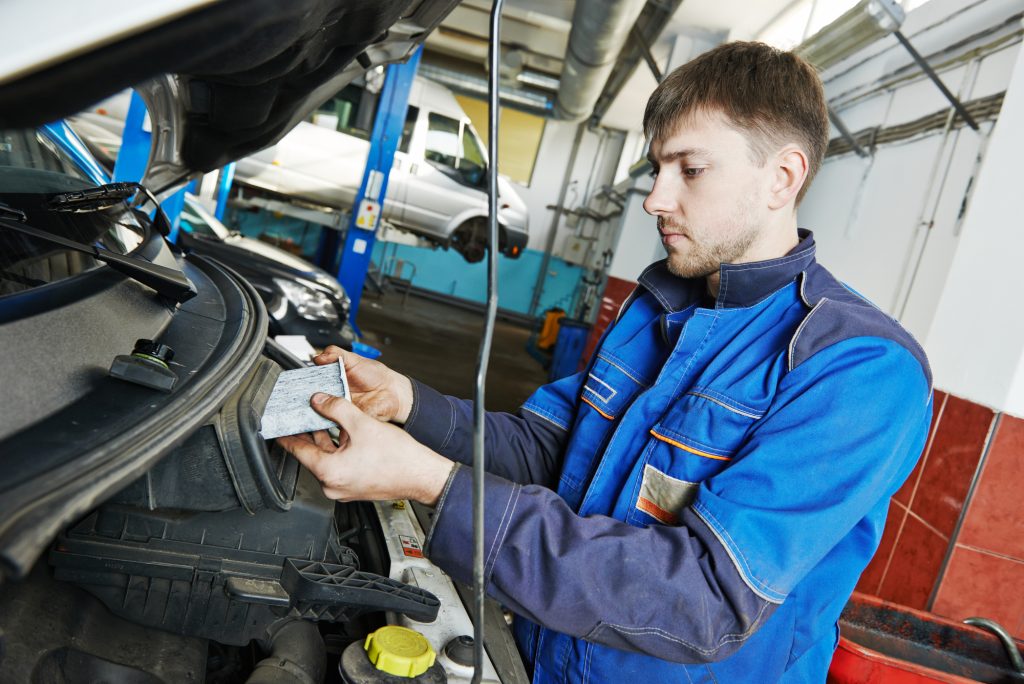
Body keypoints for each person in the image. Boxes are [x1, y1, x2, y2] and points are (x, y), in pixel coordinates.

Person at [280, 41, 932, 683]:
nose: (654, 199)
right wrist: (409, 404)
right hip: (539, 657)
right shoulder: (658, 306)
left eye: (690, 170)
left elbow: (702, 601)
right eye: (657, 169)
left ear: (782, 178)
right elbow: (549, 448)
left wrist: (434, 483)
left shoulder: (859, 369)